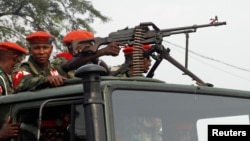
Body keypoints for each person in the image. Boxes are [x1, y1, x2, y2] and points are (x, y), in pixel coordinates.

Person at [54, 29, 121, 74]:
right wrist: (102, 51)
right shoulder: (61, 59)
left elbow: (107, 73)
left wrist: (93, 55)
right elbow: (68, 65)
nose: (70, 47)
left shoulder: (94, 61)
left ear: (89, 44)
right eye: (68, 45)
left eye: (71, 44)